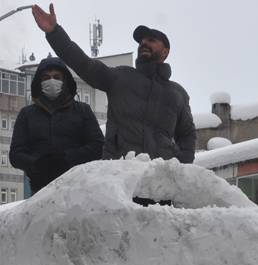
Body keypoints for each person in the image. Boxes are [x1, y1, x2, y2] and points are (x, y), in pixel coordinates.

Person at [31, 4, 196, 164]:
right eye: (141, 41)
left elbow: (187, 134)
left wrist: (180, 164)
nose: (144, 43)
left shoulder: (177, 94)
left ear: (165, 51)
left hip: (160, 179)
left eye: (151, 40)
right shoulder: (121, 77)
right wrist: (54, 33)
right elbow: (84, 64)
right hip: (120, 174)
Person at [10, 57, 104, 194]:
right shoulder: (27, 114)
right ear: (39, 82)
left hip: (78, 187)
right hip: (40, 190)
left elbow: (98, 146)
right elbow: (15, 155)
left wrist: (68, 159)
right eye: (46, 77)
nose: (51, 81)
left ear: (65, 81)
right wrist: (37, 163)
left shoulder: (83, 111)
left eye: (56, 77)